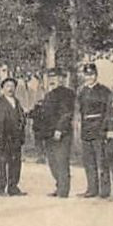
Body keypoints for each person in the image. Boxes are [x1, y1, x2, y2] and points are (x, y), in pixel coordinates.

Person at [36, 69, 75, 198]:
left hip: (61, 133)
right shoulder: (49, 94)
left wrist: (59, 129)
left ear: (62, 79)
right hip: (48, 133)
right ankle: (59, 186)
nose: (54, 80)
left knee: (61, 160)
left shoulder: (67, 94)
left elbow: (67, 114)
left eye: (58, 78)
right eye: (51, 78)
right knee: (52, 161)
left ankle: (63, 191)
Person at [76, 62, 113, 197]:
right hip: (86, 130)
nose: (89, 77)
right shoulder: (81, 92)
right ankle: (92, 189)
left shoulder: (104, 91)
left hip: (99, 130)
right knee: (89, 162)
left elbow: (108, 111)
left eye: (91, 74)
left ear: (96, 75)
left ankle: (105, 190)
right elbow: (80, 111)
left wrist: (104, 128)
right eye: (87, 75)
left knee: (102, 161)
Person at [0, 76, 27, 197]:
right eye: (7, 86)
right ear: (3, 88)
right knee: (2, 163)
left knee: (16, 163)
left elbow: (22, 119)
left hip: (16, 139)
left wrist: (21, 135)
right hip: (2, 139)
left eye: (12, 86)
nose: (10, 89)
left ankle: (13, 187)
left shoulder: (17, 103)